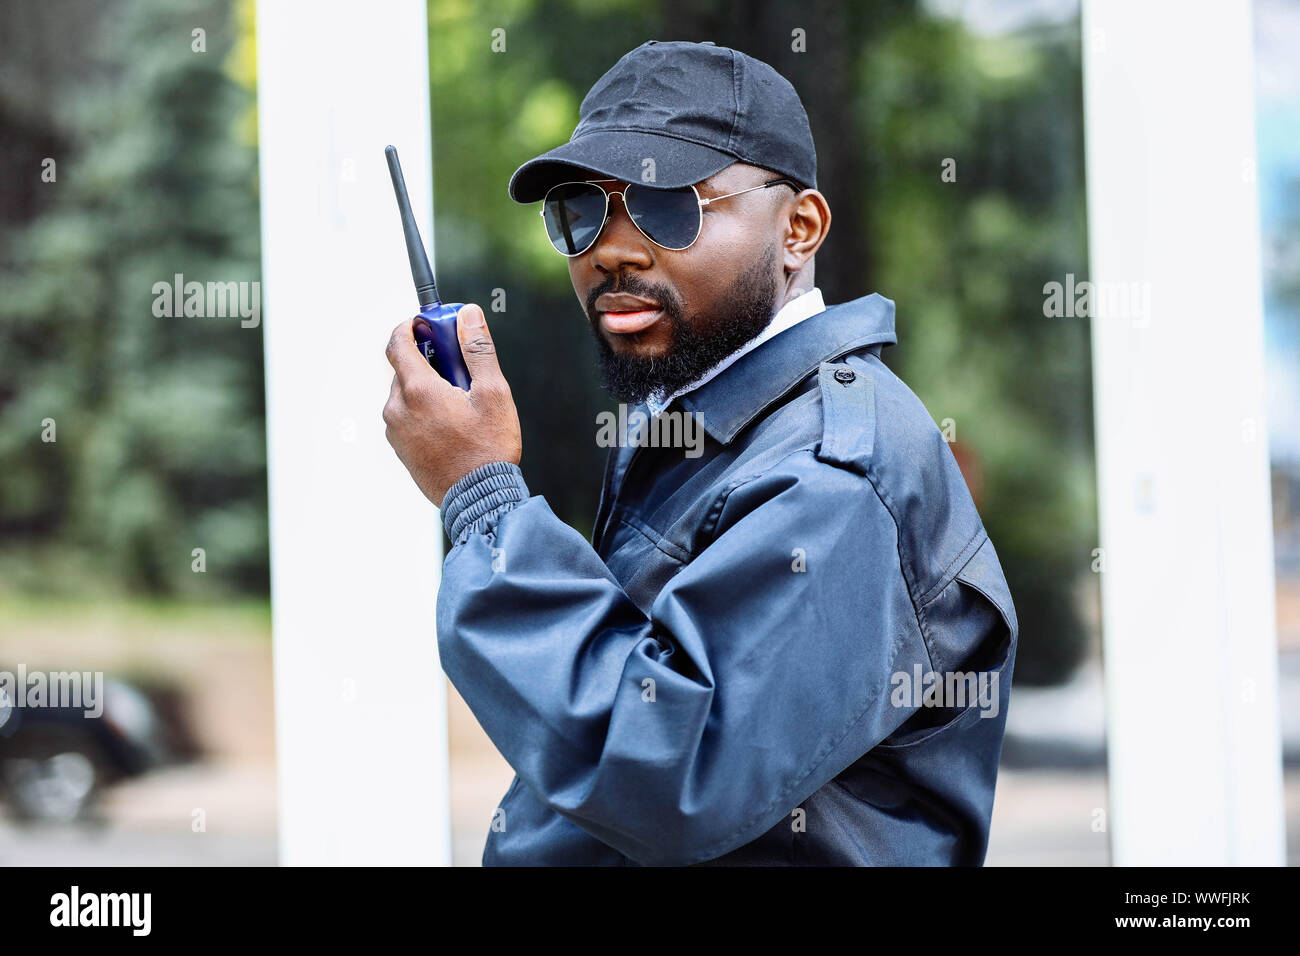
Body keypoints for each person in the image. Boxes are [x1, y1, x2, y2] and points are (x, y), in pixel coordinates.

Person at [383, 40, 1019, 866]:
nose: (612, 249)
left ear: (799, 228)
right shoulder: (711, 423)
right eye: (580, 211)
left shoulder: (834, 472)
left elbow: (668, 771)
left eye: (666, 205)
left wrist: (482, 499)